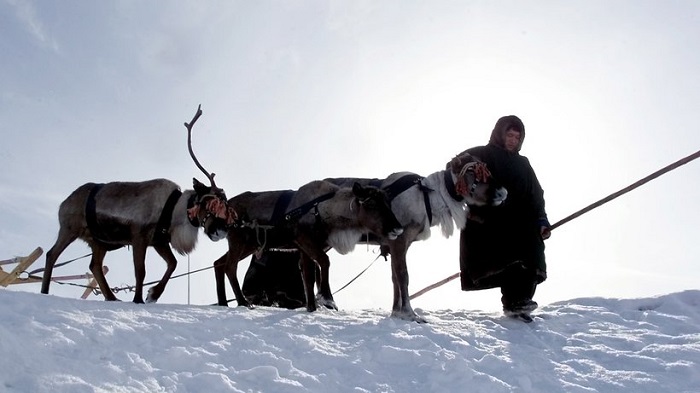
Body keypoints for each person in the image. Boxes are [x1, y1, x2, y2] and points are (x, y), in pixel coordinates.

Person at [450, 115, 551, 321]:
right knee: (507, 259)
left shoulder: (524, 164)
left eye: (517, 136)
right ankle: (513, 301)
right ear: (499, 134)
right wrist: (468, 169)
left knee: (531, 256)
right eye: (509, 134)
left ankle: (520, 301)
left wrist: (542, 220)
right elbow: (456, 166)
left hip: (523, 222)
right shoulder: (481, 153)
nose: (513, 139)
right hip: (490, 221)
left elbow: (536, 194)